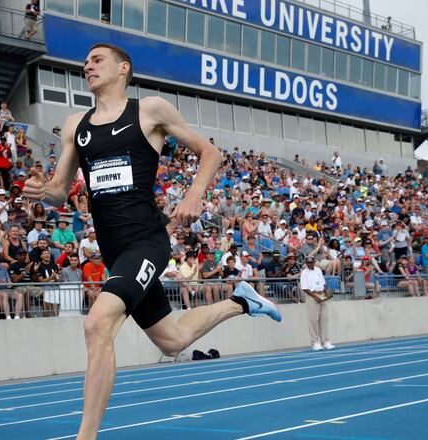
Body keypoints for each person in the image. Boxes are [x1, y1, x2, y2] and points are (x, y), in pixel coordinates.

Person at [22, 43, 281, 439]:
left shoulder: (150, 110)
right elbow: (60, 189)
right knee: (172, 340)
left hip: (146, 240)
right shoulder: (76, 125)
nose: (87, 65)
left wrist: (193, 194)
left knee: (97, 323)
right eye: (85, 61)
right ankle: (241, 300)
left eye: (96, 60)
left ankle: (85, 436)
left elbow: (210, 153)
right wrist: (44, 192)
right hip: (113, 250)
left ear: (123, 68)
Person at [300, 255, 334, 350]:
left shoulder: (318, 270)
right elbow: (305, 288)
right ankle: (315, 342)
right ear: (306, 263)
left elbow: (323, 283)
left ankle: (325, 341)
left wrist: (326, 293)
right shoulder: (304, 273)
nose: (310, 264)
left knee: (324, 319)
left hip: (321, 293)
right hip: (312, 295)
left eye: (311, 262)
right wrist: (315, 297)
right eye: (308, 262)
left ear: (314, 262)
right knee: (313, 320)